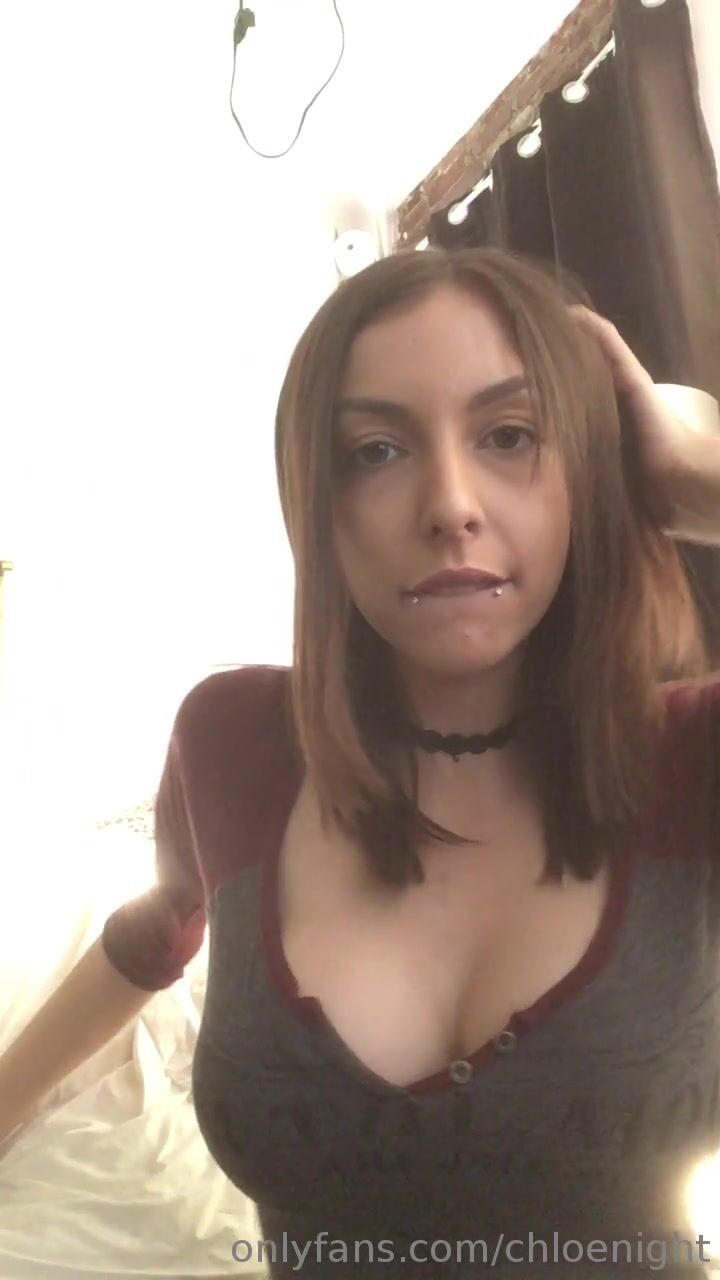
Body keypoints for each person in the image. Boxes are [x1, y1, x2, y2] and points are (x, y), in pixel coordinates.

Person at [1, 246, 719, 1279]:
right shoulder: (231, 740)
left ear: (590, 470)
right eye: (376, 451)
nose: (450, 503)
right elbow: (155, 929)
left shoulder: (694, 755)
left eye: (511, 435)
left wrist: (697, 480)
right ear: (316, 500)